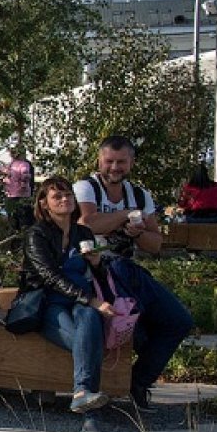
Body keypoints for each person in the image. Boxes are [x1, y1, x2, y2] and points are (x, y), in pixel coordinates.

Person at [74, 135, 193, 411]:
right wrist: (127, 214)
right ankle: (115, 382)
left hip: (127, 269)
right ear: (99, 161)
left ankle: (138, 381)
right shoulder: (86, 187)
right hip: (95, 269)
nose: (115, 167)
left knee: (179, 321)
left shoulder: (139, 194)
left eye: (121, 162)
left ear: (131, 163)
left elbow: (155, 244)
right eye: (109, 161)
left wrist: (138, 232)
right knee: (132, 325)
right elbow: (89, 223)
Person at [21, 177, 114, 414]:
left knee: (90, 318)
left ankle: (82, 394)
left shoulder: (83, 232)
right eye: (57, 196)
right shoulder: (36, 235)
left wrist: (96, 263)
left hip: (79, 300)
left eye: (68, 195)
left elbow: (99, 278)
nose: (65, 200)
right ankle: (88, 412)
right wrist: (92, 301)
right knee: (87, 342)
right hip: (48, 302)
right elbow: (50, 277)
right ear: (44, 204)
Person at [0, 147, 36, 240]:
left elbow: (25, 175)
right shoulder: (13, 165)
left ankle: (22, 240)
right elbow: (2, 174)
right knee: (17, 220)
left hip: (19, 196)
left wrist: (22, 185)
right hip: (14, 195)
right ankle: (18, 241)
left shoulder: (21, 164)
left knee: (21, 220)